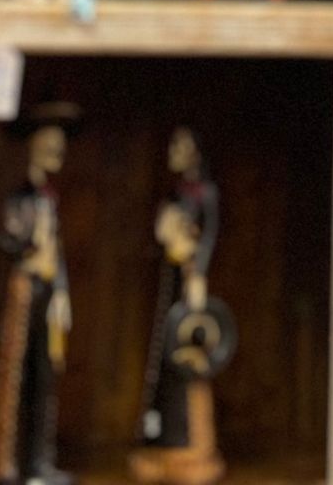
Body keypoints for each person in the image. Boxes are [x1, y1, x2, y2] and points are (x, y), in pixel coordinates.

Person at [132, 128, 235, 484]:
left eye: (180, 145)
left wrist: (197, 273)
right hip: (172, 281)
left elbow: (206, 234)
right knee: (165, 359)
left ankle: (190, 441)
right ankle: (163, 439)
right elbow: (164, 233)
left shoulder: (204, 193)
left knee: (188, 357)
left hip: (191, 282)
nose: (174, 151)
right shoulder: (174, 194)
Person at [0, 102, 79, 485]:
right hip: (25, 288)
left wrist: (61, 293)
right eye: (49, 144)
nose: (56, 154)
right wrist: (29, 241)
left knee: (45, 375)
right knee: (15, 375)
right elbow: (10, 238)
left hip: (46, 290)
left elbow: (55, 252)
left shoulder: (49, 199)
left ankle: (39, 461)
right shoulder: (22, 198)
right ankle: (8, 464)